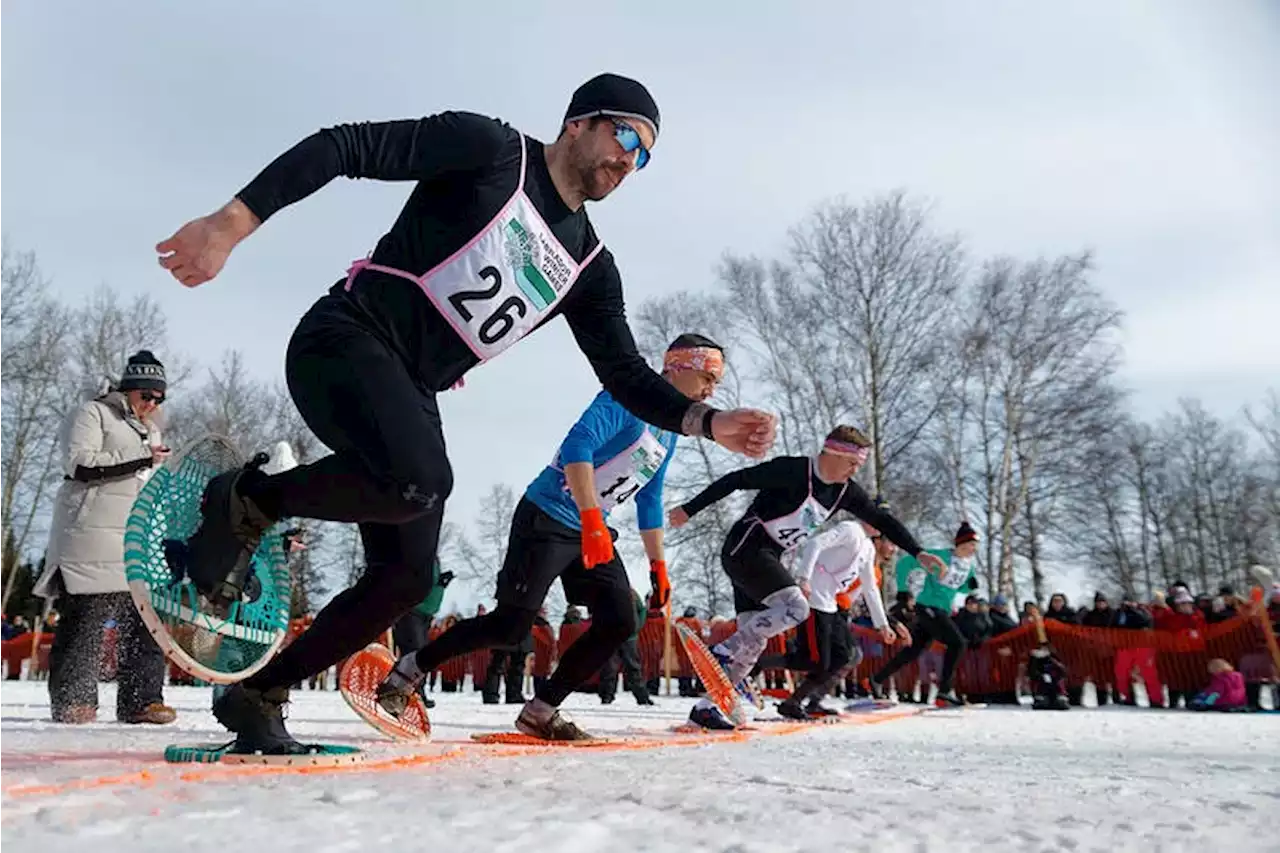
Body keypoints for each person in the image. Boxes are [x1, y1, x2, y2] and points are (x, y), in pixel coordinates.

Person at [154, 75, 776, 752]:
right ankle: (248, 499)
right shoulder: (490, 149)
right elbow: (346, 147)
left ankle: (259, 694)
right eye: (625, 136)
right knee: (422, 478)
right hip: (346, 337)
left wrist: (706, 422)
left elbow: (624, 373)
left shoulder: (591, 266)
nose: (629, 160)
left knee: (406, 577)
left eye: (644, 155)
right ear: (578, 123)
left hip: (410, 389)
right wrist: (231, 222)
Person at [375, 333, 727, 740]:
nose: (711, 389)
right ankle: (410, 669)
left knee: (620, 619)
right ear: (679, 367)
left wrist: (658, 566)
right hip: (548, 517)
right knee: (509, 627)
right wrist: (593, 520)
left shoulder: (670, 430)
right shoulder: (627, 396)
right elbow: (577, 447)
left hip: (591, 530)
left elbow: (649, 497)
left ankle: (541, 711)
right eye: (708, 377)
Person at [669, 425, 944, 729]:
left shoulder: (845, 491)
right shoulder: (793, 470)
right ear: (833, 453)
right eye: (852, 463)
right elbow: (736, 480)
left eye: (860, 465)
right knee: (797, 608)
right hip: (745, 549)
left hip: (768, 558)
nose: (854, 470)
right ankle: (721, 652)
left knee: (753, 642)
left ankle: (706, 707)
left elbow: (882, 520)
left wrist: (917, 552)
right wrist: (689, 509)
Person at [34, 351, 176, 725]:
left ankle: (141, 701)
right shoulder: (93, 413)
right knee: (86, 621)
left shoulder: (151, 431)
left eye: (159, 398)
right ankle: (73, 701)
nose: (152, 404)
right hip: (90, 536)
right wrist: (144, 456)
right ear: (127, 389)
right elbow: (79, 462)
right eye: (146, 394)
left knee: (146, 622)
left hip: (134, 542)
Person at [758, 519, 910, 720]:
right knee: (817, 660)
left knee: (842, 657)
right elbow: (816, 546)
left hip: (831, 607)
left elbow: (870, 590)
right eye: (890, 542)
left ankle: (801, 700)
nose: (893, 549)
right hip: (818, 602)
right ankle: (758, 666)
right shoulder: (851, 530)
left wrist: (882, 624)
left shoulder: (869, 553)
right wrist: (804, 579)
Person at [866, 521, 980, 707]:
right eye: (971, 545)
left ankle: (877, 679)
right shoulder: (941, 556)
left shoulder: (969, 567)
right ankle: (944, 691)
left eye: (975, 546)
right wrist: (903, 590)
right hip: (927, 606)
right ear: (961, 543)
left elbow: (961, 589)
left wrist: (970, 586)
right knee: (958, 643)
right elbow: (905, 563)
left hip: (941, 610)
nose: (973, 550)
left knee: (913, 650)